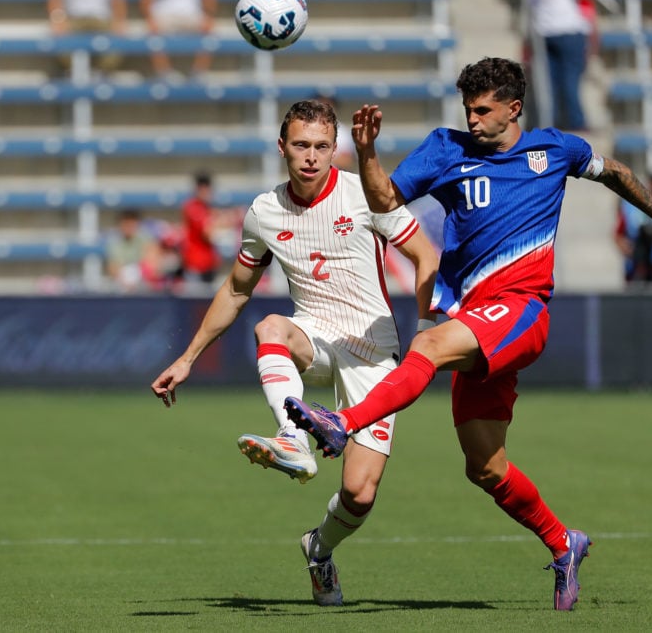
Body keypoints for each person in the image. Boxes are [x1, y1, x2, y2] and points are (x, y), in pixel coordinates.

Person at [285, 57, 652, 611]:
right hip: (474, 318)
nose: (472, 118)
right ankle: (565, 543)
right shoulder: (446, 148)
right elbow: (385, 203)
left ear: (514, 108)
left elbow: (613, 171)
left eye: (483, 109)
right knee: (485, 467)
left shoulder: (553, 149)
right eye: (467, 108)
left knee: (427, 346)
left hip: (522, 313)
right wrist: (367, 154)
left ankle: (341, 422)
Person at [151, 99, 439, 606]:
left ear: (335, 150)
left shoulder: (363, 193)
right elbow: (239, 288)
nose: (311, 157)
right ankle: (293, 438)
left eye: (322, 147)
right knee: (270, 326)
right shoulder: (264, 211)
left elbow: (424, 256)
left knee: (360, 493)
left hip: (375, 355)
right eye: (301, 145)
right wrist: (188, 357)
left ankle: (319, 549)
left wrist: (427, 331)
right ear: (282, 147)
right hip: (315, 338)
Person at [532, 0, 593, 131]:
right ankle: (576, 121)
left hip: (545, 25)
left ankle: (552, 122)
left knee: (551, 80)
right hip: (567, 24)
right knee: (571, 77)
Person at [139, 0, 217, 80]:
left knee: (209, 29)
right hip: (164, 15)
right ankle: (164, 73)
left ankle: (199, 72)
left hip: (192, 14)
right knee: (152, 30)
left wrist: (209, 16)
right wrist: (150, 20)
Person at [105, 209, 167, 292]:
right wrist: (125, 282)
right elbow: (113, 268)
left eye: (131, 224)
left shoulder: (145, 237)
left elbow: (153, 262)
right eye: (125, 224)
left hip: (143, 281)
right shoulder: (114, 241)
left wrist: (145, 272)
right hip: (123, 283)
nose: (128, 227)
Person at [180, 171, 222, 293]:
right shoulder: (193, 208)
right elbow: (207, 234)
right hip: (195, 265)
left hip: (208, 264)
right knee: (195, 303)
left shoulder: (207, 208)